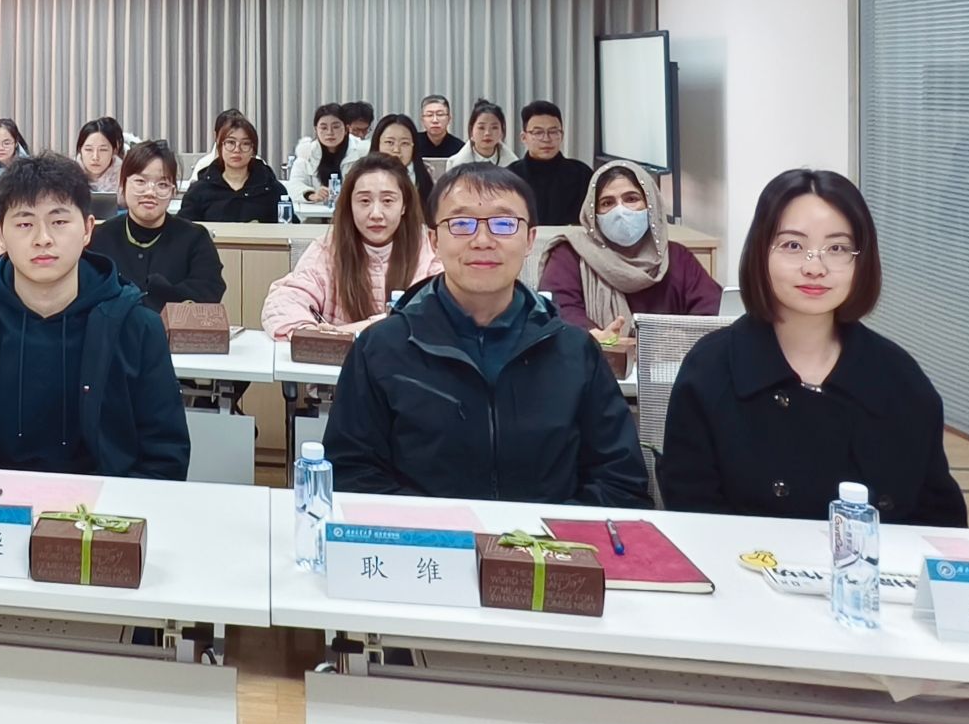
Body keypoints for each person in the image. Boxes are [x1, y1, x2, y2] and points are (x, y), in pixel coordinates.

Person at [323, 163, 650, 505]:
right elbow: (351, 474)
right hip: (426, 537)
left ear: (530, 239)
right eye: (461, 224)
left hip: (546, 538)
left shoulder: (575, 351)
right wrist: (442, 529)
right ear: (434, 240)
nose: (482, 241)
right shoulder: (381, 349)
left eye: (504, 224)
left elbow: (620, 483)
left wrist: (537, 533)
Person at [659, 170, 966, 525]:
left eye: (837, 249)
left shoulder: (899, 378)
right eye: (793, 246)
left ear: (862, 260)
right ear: (760, 253)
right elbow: (692, 516)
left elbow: (940, 523)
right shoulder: (710, 370)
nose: (815, 267)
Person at [0, 154, 189, 480]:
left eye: (59, 222)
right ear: (1, 233)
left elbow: (165, 459)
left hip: (102, 505)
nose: (43, 239)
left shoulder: (137, 328)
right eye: (24, 224)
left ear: (87, 229)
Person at [263, 153, 440, 338]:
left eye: (388, 201)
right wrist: (311, 333)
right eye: (364, 201)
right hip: (341, 356)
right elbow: (284, 301)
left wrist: (348, 331)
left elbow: (438, 313)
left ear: (404, 206)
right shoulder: (328, 248)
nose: (376, 214)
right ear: (350, 205)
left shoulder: (430, 248)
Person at [534, 161, 720, 336]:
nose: (620, 211)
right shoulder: (570, 254)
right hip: (593, 355)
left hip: (667, 357)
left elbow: (712, 310)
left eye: (631, 199)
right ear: (593, 214)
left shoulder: (676, 257)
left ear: (650, 205)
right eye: (607, 203)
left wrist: (675, 339)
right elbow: (558, 310)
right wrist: (591, 336)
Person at [88, 140, 225, 313]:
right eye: (140, 181)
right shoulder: (100, 237)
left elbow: (208, 291)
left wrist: (157, 293)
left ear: (173, 191)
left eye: (162, 185)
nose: (150, 192)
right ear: (122, 185)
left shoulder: (195, 238)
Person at [180, 112, 287, 223]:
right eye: (230, 142)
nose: (237, 150)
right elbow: (184, 229)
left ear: (253, 150)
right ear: (220, 147)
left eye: (245, 144)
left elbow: (289, 227)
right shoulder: (199, 190)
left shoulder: (273, 190)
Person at [507, 100, 593, 226]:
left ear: (561, 135)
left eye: (553, 132)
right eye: (538, 132)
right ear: (524, 138)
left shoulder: (582, 174)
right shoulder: (510, 177)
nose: (546, 139)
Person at [287, 103, 368, 207]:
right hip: (316, 212)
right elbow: (293, 185)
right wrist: (311, 194)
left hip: (352, 210)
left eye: (336, 127)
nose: (330, 132)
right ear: (316, 130)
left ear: (346, 129)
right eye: (324, 128)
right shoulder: (306, 153)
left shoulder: (362, 153)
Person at [368, 112, 436, 206]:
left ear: (413, 146)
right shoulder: (363, 176)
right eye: (389, 142)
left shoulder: (426, 177)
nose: (396, 150)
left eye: (404, 143)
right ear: (377, 143)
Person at [446, 98, 511, 167]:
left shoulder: (512, 164)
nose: (487, 133)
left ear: (502, 131)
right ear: (471, 131)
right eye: (481, 128)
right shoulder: (455, 164)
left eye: (494, 127)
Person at [75, 116, 125, 193]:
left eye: (103, 150)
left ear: (114, 151)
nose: (95, 157)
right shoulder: (68, 176)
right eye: (88, 149)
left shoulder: (125, 178)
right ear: (80, 150)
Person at [416, 94, 462, 160]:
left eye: (440, 114)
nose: (435, 120)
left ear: (449, 119)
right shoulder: (413, 144)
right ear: (422, 120)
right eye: (429, 115)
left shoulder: (460, 149)